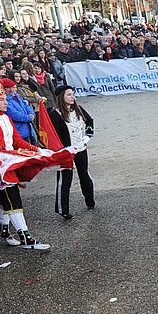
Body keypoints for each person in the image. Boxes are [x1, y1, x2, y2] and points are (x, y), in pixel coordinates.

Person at [0, 80, 51, 251]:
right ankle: (26, 238)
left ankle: (3, 230)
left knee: (7, 201)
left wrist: (36, 149)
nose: (5, 102)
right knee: (13, 201)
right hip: (1, 168)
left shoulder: (5, 117)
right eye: (1, 99)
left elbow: (16, 140)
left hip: (7, 164)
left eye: (5, 98)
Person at [46, 87, 95, 218]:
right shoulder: (55, 114)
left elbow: (89, 120)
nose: (72, 97)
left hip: (81, 149)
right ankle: (63, 210)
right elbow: (51, 134)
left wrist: (88, 135)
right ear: (62, 97)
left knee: (84, 175)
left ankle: (90, 202)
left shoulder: (78, 109)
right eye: (69, 95)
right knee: (65, 180)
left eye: (73, 94)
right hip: (66, 152)